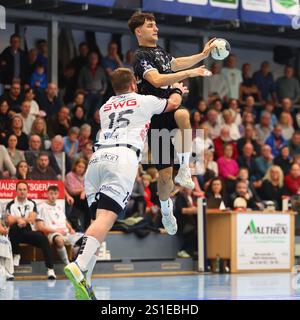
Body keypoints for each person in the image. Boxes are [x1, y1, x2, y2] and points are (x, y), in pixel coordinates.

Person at [64, 68, 187, 300]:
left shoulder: (105, 106)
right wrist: (178, 89)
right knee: (105, 221)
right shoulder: (142, 100)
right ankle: (79, 265)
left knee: (96, 225)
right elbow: (172, 104)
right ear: (133, 84)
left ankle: (86, 283)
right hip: (122, 158)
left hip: (96, 161)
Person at [129, 11, 215, 217]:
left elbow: (175, 63)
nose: (156, 28)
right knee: (165, 176)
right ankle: (166, 211)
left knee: (184, 116)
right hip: (155, 115)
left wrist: (202, 56)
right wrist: (191, 73)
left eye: (155, 24)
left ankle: (185, 168)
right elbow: (157, 80)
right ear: (138, 31)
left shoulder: (160, 52)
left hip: (171, 106)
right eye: (150, 25)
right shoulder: (140, 56)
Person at [6, 181, 56, 279]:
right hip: (15, 234)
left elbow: (32, 219)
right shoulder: (11, 204)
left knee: (42, 237)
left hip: (27, 232)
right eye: (20, 189)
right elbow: (9, 220)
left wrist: (21, 220)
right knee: (14, 227)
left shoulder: (32, 203)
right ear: (16, 191)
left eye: (24, 189)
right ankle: (15, 256)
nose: (22, 192)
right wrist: (18, 219)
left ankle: (50, 269)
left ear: (27, 191)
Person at [36, 185, 79, 265]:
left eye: (55, 194)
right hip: (53, 233)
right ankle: (68, 264)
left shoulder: (59, 206)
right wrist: (56, 230)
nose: (53, 196)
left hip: (65, 232)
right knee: (59, 240)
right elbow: (40, 227)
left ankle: (78, 263)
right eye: (51, 193)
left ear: (58, 195)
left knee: (83, 240)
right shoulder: (41, 207)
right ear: (47, 194)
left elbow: (64, 220)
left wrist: (71, 229)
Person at [78, 52, 107, 119]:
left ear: (97, 60)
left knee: (97, 110)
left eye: (95, 58)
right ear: (89, 59)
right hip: (88, 92)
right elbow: (80, 81)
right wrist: (83, 90)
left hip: (99, 93)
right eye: (92, 58)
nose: (93, 59)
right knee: (86, 109)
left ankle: (96, 125)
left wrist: (103, 90)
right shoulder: (84, 69)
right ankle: (84, 122)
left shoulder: (100, 69)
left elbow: (104, 81)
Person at [65, 158, 90, 232]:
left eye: (83, 167)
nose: (80, 169)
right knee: (87, 202)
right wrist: (83, 190)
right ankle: (86, 228)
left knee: (90, 202)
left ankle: (88, 228)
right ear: (75, 166)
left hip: (83, 199)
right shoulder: (70, 175)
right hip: (73, 197)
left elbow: (90, 187)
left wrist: (84, 191)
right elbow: (72, 190)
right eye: (79, 166)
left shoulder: (86, 176)